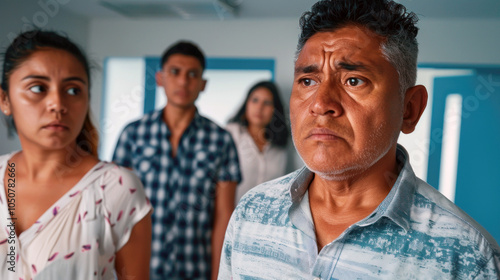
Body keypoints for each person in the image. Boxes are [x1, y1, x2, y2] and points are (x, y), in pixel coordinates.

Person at [219, 0, 500, 279]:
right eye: (308, 81)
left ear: (409, 109)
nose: (321, 104)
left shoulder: (467, 257)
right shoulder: (251, 213)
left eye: (354, 80)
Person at [0, 30, 152, 280]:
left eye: (73, 91)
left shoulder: (116, 188)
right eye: (38, 88)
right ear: (5, 99)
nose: (57, 104)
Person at [113, 41, 241, 279]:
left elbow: (224, 215)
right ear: (160, 78)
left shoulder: (221, 140)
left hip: (196, 268)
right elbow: (119, 210)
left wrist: (219, 275)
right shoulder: (133, 134)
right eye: (175, 72)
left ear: (203, 84)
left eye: (192, 74)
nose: (183, 81)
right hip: (141, 269)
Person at [226, 81, 289, 203]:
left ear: (275, 110)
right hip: (231, 216)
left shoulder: (281, 146)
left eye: (267, 103)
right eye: (255, 100)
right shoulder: (231, 133)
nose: (259, 107)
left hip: (266, 218)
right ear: (246, 104)